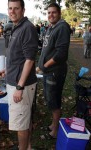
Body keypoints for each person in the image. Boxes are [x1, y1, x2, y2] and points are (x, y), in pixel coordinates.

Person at [0, 0, 38, 149]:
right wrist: (7, 69)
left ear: (23, 10)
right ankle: (27, 147)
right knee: (24, 119)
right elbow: (17, 57)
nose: (12, 11)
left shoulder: (27, 28)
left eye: (16, 8)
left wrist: (20, 87)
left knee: (21, 124)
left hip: (21, 85)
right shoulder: (16, 27)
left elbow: (29, 60)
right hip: (16, 81)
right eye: (10, 8)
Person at [38, 3, 70, 139]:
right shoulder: (52, 27)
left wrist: (44, 66)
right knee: (51, 99)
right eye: (49, 13)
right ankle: (53, 124)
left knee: (54, 101)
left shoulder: (62, 27)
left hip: (54, 72)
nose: (51, 15)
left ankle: (55, 131)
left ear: (59, 13)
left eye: (54, 12)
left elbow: (61, 54)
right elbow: (47, 48)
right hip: (48, 71)